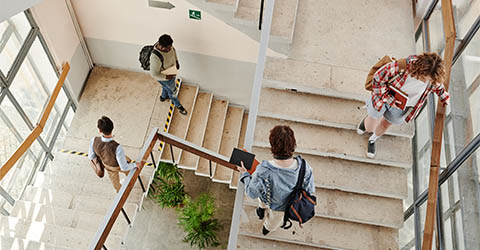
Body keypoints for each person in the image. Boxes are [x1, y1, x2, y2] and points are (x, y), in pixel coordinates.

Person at [357, 52, 450, 158]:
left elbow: (439, 87)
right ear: (420, 69)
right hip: (382, 97)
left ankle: (372, 139)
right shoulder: (403, 65)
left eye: (429, 79)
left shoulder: (432, 78)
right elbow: (378, 78)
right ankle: (368, 121)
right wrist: (389, 99)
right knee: (370, 126)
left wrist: (444, 98)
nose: (426, 81)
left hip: (402, 106)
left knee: (385, 125)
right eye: (425, 77)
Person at [237, 125, 315, 235]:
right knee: (274, 221)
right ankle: (267, 228)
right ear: (293, 144)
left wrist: (245, 173)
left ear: (272, 146)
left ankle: (262, 212)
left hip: (267, 198)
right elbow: (310, 191)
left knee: (263, 197)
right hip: (283, 207)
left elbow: (252, 192)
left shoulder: (263, 170)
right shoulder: (305, 167)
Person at [88, 116, 140, 192]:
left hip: (107, 165)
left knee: (115, 181)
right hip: (117, 165)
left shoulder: (94, 140)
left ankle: (119, 190)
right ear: (112, 127)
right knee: (128, 165)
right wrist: (136, 165)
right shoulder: (118, 147)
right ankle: (132, 178)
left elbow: (91, 156)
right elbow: (124, 167)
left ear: (100, 130)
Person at [150, 34, 187, 115]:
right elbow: (153, 74)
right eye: (168, 48)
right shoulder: (155, 58)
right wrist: (166, 76)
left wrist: (176, 61)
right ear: (162, 47)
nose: (170, 48)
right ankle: (178, 105)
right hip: (165, 78)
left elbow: (173, 52)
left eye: (171, 46)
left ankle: (163, 97)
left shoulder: (169, 47)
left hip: (171, 72)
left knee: (166, 87)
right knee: (172, 92)